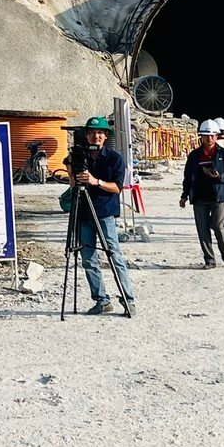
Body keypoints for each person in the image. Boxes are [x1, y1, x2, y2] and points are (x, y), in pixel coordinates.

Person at [62, 118, 135, 313]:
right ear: (86, 135)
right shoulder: (81, 156)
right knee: (88, 259)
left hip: (104, 214)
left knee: (114, 256)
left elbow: (117, 188)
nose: (97, 136)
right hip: (83, 212)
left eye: (100, 132)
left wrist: (96, 181)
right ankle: (102, 300)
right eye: (93, 132)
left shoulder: (114, 158)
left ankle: (128, 299)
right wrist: (71, 168)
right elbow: (72, 185)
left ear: (106, 136)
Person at [180, 120, 224, 268]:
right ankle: (209, 260)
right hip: (199, 196)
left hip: (218, 196)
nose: (209, 139)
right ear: (201, 137)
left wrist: (219, 177)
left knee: (217, 225)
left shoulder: (223, 154)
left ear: (217, 136)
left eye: (212, 135)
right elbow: (188, 176)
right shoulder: (194, 156)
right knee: (202, 229)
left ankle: (223, 249)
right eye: (206, 135)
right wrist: (184, 195)